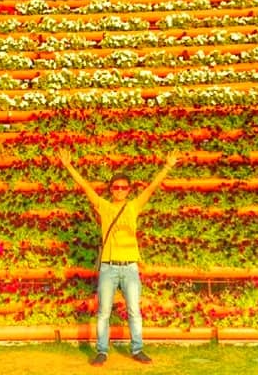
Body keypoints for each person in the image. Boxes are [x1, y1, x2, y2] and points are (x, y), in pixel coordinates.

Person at [58, 148, 179, 366]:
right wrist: (68, 166)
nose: (120, 190)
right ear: (111, 189)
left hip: (130, 267)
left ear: (129, 189)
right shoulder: (103, 206)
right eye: (116, 187)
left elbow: (152, 187)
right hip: (109, 267)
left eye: (124, 187)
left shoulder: (133, 206)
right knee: (103, 311)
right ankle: (102, 351)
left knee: (134, 311)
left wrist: (168, 166)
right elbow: (85, 187)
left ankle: (137, 349)